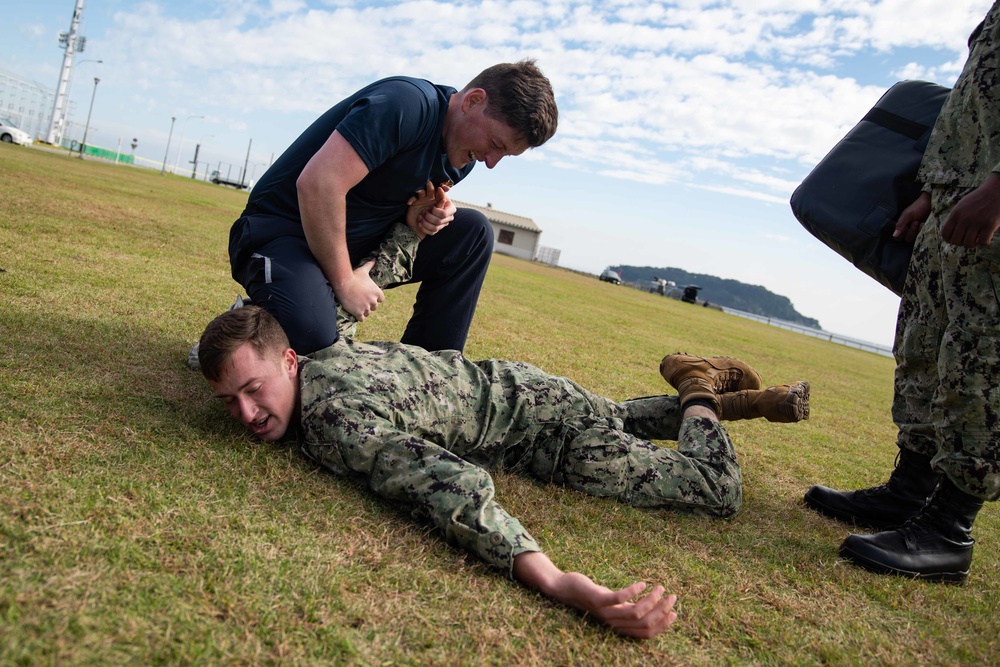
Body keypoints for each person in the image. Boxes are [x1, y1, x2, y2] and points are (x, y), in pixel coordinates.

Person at [197, 306, 810, 638]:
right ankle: (743, 402)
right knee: (614, 417)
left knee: (715, 489)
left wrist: (559, 581)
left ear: (288, 360)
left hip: (547, 436)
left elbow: (447, 487)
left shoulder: (334, 417)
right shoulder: (333, 353)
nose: (248, 414)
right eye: (230, 401)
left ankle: (699, 390)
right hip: (525, 386)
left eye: (254, 390)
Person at [804, 2, 1000, 583]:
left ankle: (949, 530)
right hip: (952, 194)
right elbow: (973, 99)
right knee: (925, 349)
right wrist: (931, 189)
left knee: (980, 362)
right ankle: (907, 493)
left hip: (989, 205)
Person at [228, 60, 558, 355]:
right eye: (496, 145)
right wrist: (345, 283)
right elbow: (318, 184)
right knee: (315, 336)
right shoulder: (407, 105)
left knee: (473, 232)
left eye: (505, 156)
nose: (491, 163)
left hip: (347, 246)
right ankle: (246, 329)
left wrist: (418, 222)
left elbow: (384, 208)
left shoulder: (462, 159)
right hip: (281, 233)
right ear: (473, 101)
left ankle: (429, 376)